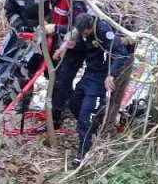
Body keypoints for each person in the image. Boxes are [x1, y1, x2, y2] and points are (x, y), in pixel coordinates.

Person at [54, 13, 132, 166]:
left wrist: (111, 75)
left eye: (86, 32)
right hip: (89, 73)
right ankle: (94, 124)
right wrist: (73, 46)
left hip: (101, 77)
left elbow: (121, 53)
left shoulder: (103, 30)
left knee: (85, 115)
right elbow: (86, 47)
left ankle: (82, 152)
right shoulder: (83, 33)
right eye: (82, 33)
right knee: (74, 104)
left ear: (91, 27)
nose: (84, 35)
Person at [42, 0, 89, 127]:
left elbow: (80, 28)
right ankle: (67, 107)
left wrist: (55, 28)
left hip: (75, 48)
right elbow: (52, 14)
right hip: (59, 43)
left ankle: (54, 120)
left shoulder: (74, 1)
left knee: (62, 82)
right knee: (52, 76)